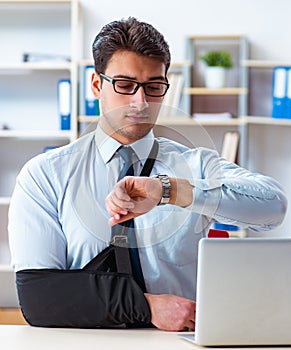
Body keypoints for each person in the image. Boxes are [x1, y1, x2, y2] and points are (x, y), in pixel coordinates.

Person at [8, 17, 287, 331]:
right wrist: (146, 307)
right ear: (97, 85)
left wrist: (170, 191)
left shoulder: (194, 166)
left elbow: (273, 207)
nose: (140, 102)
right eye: (125, 86)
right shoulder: (45, 175)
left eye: (154, 87)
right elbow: (39, 297)